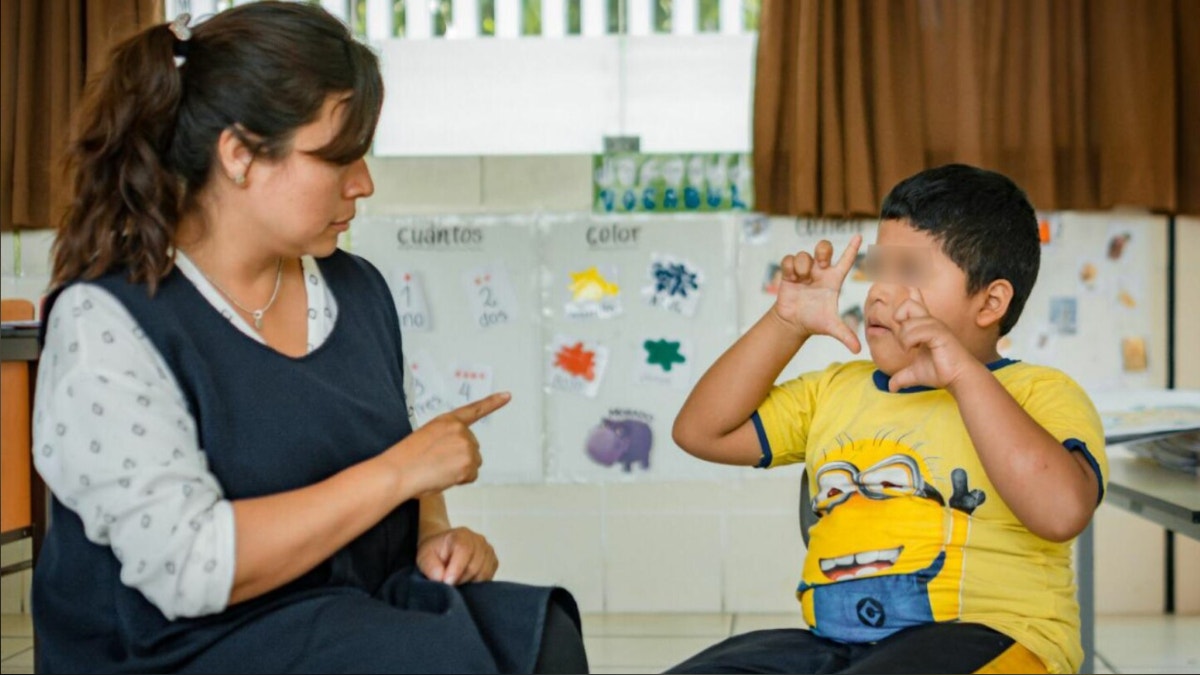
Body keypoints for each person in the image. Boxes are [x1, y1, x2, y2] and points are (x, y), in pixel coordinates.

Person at [31, 4, 588, 673]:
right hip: (189, 647)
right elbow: (190, 568)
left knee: (537, 637)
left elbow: (393, 464)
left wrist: (435, 535)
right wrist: (401, 471)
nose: (364, 183)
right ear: (240, 154)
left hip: (343, 614)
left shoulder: (356, 291)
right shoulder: (107, 321)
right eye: (339, 157)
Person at [669, 164, 1106, 674]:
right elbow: (700, 431)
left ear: (990, 302)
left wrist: (964, 376)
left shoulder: (1038, 392)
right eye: (877, 269)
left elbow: (1060, 514)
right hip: (838, 643)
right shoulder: (835, 390)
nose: (877, 292)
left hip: (992, 635)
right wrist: (785, 323)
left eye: (911, 272)